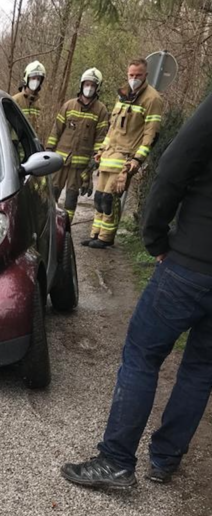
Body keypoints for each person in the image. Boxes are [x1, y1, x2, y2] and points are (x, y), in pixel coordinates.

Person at [61, 93, 212, 488]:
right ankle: (164, 460)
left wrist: (156, 238)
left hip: (190, 264)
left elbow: (173, 168)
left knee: (142, 354)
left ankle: (115, 460)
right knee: (201, 369)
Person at [83, 58, 163, 249]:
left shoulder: (152, 99)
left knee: (110, 198)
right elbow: (113, 129)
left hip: (126, 158)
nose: (134, 79)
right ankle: (96, 233)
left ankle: (106, 237)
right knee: (99, 197)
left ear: (146, 76)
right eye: (131, 75)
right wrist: (102, 149)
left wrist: (137, 159)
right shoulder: (123, 95)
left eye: (138, 75)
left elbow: (150, 134)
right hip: (109, 155)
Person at [46, 68, 109, 221]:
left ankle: (66, 226)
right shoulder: (69, 106)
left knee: (71, 197)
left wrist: (95, 159)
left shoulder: (101, 111)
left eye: (93, 85)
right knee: (52, 191)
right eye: (87, 84)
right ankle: (48, 221)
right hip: (60, 160)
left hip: (80, 165)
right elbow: (56, 130)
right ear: (81, 85)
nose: (89, 88)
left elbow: (100, 138)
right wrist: (48, 150)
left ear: (97, 87)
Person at [13, 61, 46, 136]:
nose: (36, 81)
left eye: (38, 79)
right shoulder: (15, 100)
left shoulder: (38, 104)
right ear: (27, 78)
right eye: (33, 78)